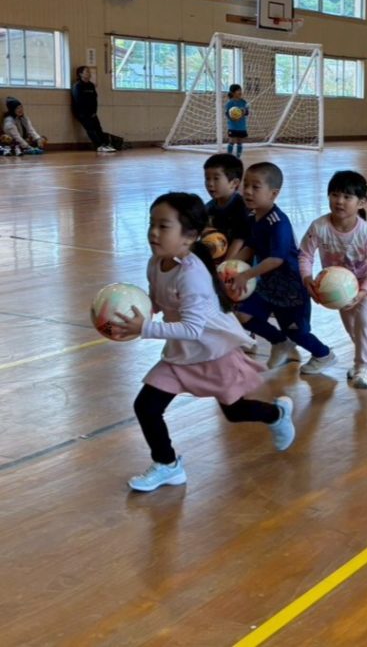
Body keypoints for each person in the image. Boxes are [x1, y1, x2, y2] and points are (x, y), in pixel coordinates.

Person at [112, 192, 294, 492]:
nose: (153, 232)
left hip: (213, 353)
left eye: (164, 226)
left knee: (234, 413)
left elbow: (192, 328)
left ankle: (277, 414)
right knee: (146, 406)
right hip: (181, 355)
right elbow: (160, 302)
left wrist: (144, 328)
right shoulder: (156, 262)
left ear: (189, 237)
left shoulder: (192, 274)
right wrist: (135, 314)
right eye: (151, 224)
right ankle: (168, 465)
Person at [227, 162, 336, 374]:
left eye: (255, 187)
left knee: (297, 332)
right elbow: (250, 246)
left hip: (292, 290)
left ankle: (324, 354)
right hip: (268, 287)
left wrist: (246, 274)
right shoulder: (252, 217)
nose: (247, 191)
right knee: (243, 315)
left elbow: (276, 260)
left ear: (273, 193)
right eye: (245, 185)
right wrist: (230, 269)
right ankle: (278, 341)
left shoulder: (279, 223)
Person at [298, 171, 367, 390]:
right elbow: (305, 255)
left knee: (364, 320)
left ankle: (362, 368)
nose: (339, 201)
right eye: (335, 195)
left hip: (364, 285)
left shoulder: (365, 232)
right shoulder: (319, 227)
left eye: (347, 197)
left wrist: (363, 292)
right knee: (351, 326)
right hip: (339, 288)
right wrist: (307, 278)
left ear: (361, 202)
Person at [203, 153, 249, 261]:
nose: (210, 183)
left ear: (234, 183)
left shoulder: (241, 207)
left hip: (238, 261)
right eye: (207, 178)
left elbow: (239, 240)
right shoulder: (208, 208)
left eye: (216, 178)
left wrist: (225, 265)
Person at [71, 66, 115, 153]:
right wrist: (85, 113)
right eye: (86, 72)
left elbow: (95, 99)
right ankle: (98, 146)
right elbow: (78, 101)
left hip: (92, 113)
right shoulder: (77, 86)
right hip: (82, 113)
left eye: (89, 72)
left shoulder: (91, 85)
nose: (89, 73)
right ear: (80, 74)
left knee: (98, 128)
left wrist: (94, 112)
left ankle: (105, 144)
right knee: (90, 129)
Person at [225, 84, 249, 157]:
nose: (240, 92)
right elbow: (227, 114)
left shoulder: (243, 102)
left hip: (241, 126)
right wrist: (233, 118)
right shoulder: (230, 103)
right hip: (233, 126)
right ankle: (229, 157)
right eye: (238, 90)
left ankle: (238, 157)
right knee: (232, 141)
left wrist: (244, 111)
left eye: (240, 90)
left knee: (239, 142)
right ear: (233, 93)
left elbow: (247, 113)